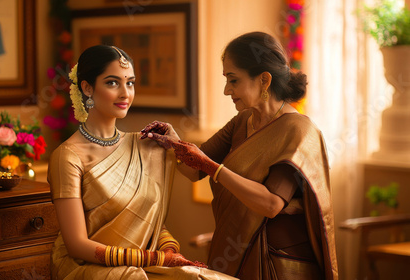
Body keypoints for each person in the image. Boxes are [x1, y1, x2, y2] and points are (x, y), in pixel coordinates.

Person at [141, 32, 338, 280]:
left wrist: (213, 168)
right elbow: (194, 170)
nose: (226, 90)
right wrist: (173, 143)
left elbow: (271, 204)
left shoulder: (298, 131)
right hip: (235, 251)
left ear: (264, 80)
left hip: (278, 262)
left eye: (233, 80)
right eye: (226, 80)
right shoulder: (243, 121)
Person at [48, 45, 238, 280]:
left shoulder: (144, 146)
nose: (125, 93)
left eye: (130, 82)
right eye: (112, 83)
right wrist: (156, 259)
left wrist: (168, 249)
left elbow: (151, 224)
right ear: (87, 88)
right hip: (89, 269)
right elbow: (77, 245)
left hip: (142, 265)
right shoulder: (68, 156)